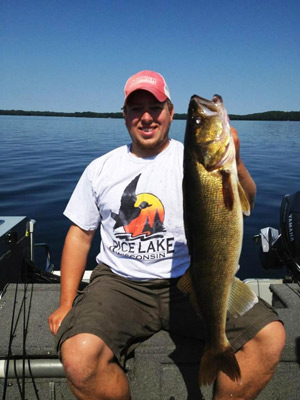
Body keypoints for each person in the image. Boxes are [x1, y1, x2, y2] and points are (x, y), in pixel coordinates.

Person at [48, 70, 286, 400]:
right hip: (120, 283)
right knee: (78, 356)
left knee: (269, 337)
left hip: (191, 279)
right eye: (136, 108)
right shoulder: (101, 168)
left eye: (155, 108)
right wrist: (65, 303)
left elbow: (248, 199)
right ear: (125, 115)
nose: (146, 117)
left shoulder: (194, 159)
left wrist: (237, 161)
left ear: (171, 113)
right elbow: (80, 235)